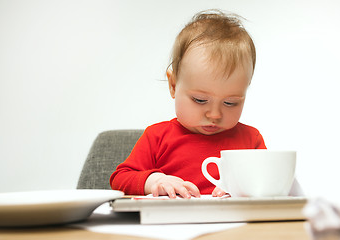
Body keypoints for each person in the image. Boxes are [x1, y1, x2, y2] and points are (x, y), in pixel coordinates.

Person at [110, 9, 267, 199]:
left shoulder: (251, 140)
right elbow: (120, 178)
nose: (215, 114)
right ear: (174, 85)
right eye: (200, 100)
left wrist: (246, 187)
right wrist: (155, 181)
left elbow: (269, 181)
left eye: (230, 102)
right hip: (172, 225)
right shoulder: (157, 137)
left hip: (237, 225)